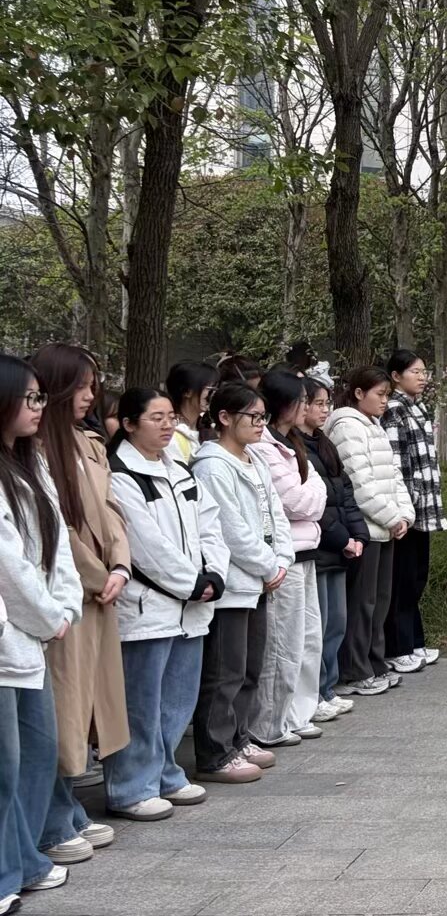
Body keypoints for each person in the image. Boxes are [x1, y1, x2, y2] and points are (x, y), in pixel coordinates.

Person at [25, 346, 131, 866]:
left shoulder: (87, 442)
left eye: (93, 385)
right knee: (64, 708)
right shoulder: (35, 450)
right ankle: (53, 818)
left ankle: (65, 810)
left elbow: (112, 511)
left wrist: (121, 565)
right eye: (81, 386)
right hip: (68, 594)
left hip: (100, 590)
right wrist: (95, 574)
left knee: (89, 702)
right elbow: (56, 531)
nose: (90, 396)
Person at [104, 388, 224, 817]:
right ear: (129, 424)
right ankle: (131, 786)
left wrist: (215, 574)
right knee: (142, 703)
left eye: (171, 416)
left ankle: (166, 773)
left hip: (192, 605)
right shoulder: (121, 475)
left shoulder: (180, 470)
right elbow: (145, 546)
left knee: (177, 700)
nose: (168, 425)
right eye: (156, 418)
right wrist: (191, 583)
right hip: (148, 606)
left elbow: (211, 525)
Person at [0, 354, 85, 897]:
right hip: (12, 634)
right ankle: (7, 872)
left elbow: (58, 551)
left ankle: (24, 859)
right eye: (29, 398)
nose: (38, 408)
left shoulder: (31, 462)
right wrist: (50, 616)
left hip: (34, 633)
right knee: (7, 764)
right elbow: (9, 564)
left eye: (40, 397)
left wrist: (64, 608)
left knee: (37, 751)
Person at [189, 384, 291, 784]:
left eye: (264, 417)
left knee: (250, 667)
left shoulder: (254, 459)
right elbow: (230, 529)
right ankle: (215, 752)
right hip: (233, 583)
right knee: (224, 671)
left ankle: (238, 737)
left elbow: (275, 514)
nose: (261, 424)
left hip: (259, 580)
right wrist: (268, 565)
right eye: (254, 417)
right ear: (225, 418)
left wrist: (281, 559)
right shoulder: (212, 466)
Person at [323, 367, 413, 697]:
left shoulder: (374, 425)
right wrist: (391, 517)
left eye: (388, 395)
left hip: (385, 527)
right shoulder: (347, 426)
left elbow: (394, 475)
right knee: (362, 602)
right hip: (366, 528)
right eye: (380, 394)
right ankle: (354, 669)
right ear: (359, 393)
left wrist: (404, 516)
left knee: (379, 601)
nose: (385, 401)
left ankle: (374, 662)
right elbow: (359, 483)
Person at [251, 372, 328, 748]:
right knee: (283, 642)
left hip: (306, 547)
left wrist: (312, 493)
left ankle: (299, 711)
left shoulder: (292, 442)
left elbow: (316, 490)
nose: (307, 407)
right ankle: (270, 721)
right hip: (286, 556)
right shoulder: (264, 447)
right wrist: (313, 493)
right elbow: (295, 502)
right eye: (303, 401)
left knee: (308, 637)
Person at [297, 377, 361, 721]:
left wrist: (358, 534)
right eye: (318, 403)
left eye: (327, 404)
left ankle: (328, 687)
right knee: (317, 626)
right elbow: (312, 505)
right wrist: (342, 538)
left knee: (337, 621)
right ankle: (317, 691)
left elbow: (344, 489)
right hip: (320, 545)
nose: (324, 410)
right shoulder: (295, 448)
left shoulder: (324, 443)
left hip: (339, 545)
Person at [382, 350, 445, 675]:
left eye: (424, 371)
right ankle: (398, 648)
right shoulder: (394, 410)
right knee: (403, 580)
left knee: (417, 577)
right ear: (396, 376)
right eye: (415, 372)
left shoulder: (417, 407)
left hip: (423, 509)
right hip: (407, 510)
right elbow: (397, 463)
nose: (422, 377)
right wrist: (404, 508)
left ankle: (415, 641)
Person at [163, 362, 217, 465]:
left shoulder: (208, 430)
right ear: (187, 391)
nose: (214, 395)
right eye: (210, 390)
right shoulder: (169, 433)